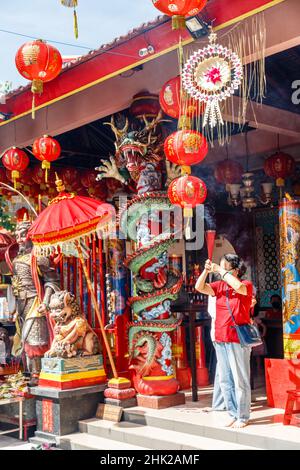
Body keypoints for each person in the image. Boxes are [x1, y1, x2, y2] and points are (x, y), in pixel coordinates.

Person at [196, 254, 253, 428]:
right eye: (221, 268)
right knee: (225, 380)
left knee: (240, 379)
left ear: (235, 270)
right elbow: (200, 287)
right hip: (221, 338)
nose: (221, 272)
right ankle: (232, 413)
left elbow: (239, 288)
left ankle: (243, 416)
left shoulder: (245, 285)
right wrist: (206, 271)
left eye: (226, 268)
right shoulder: (219, 286)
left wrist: (220, 270)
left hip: (237, 339)